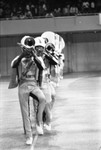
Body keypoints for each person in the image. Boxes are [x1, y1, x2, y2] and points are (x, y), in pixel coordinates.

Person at [9, 36, 46, 145]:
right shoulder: (18, 58)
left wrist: (34, 55)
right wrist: (22, 56)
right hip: (23, 85)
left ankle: (39, 122)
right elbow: (13, 65)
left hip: (33, 84)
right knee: (25, 113)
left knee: (42, 99)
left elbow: (41, 67)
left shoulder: (36, 58)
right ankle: (28, 136)